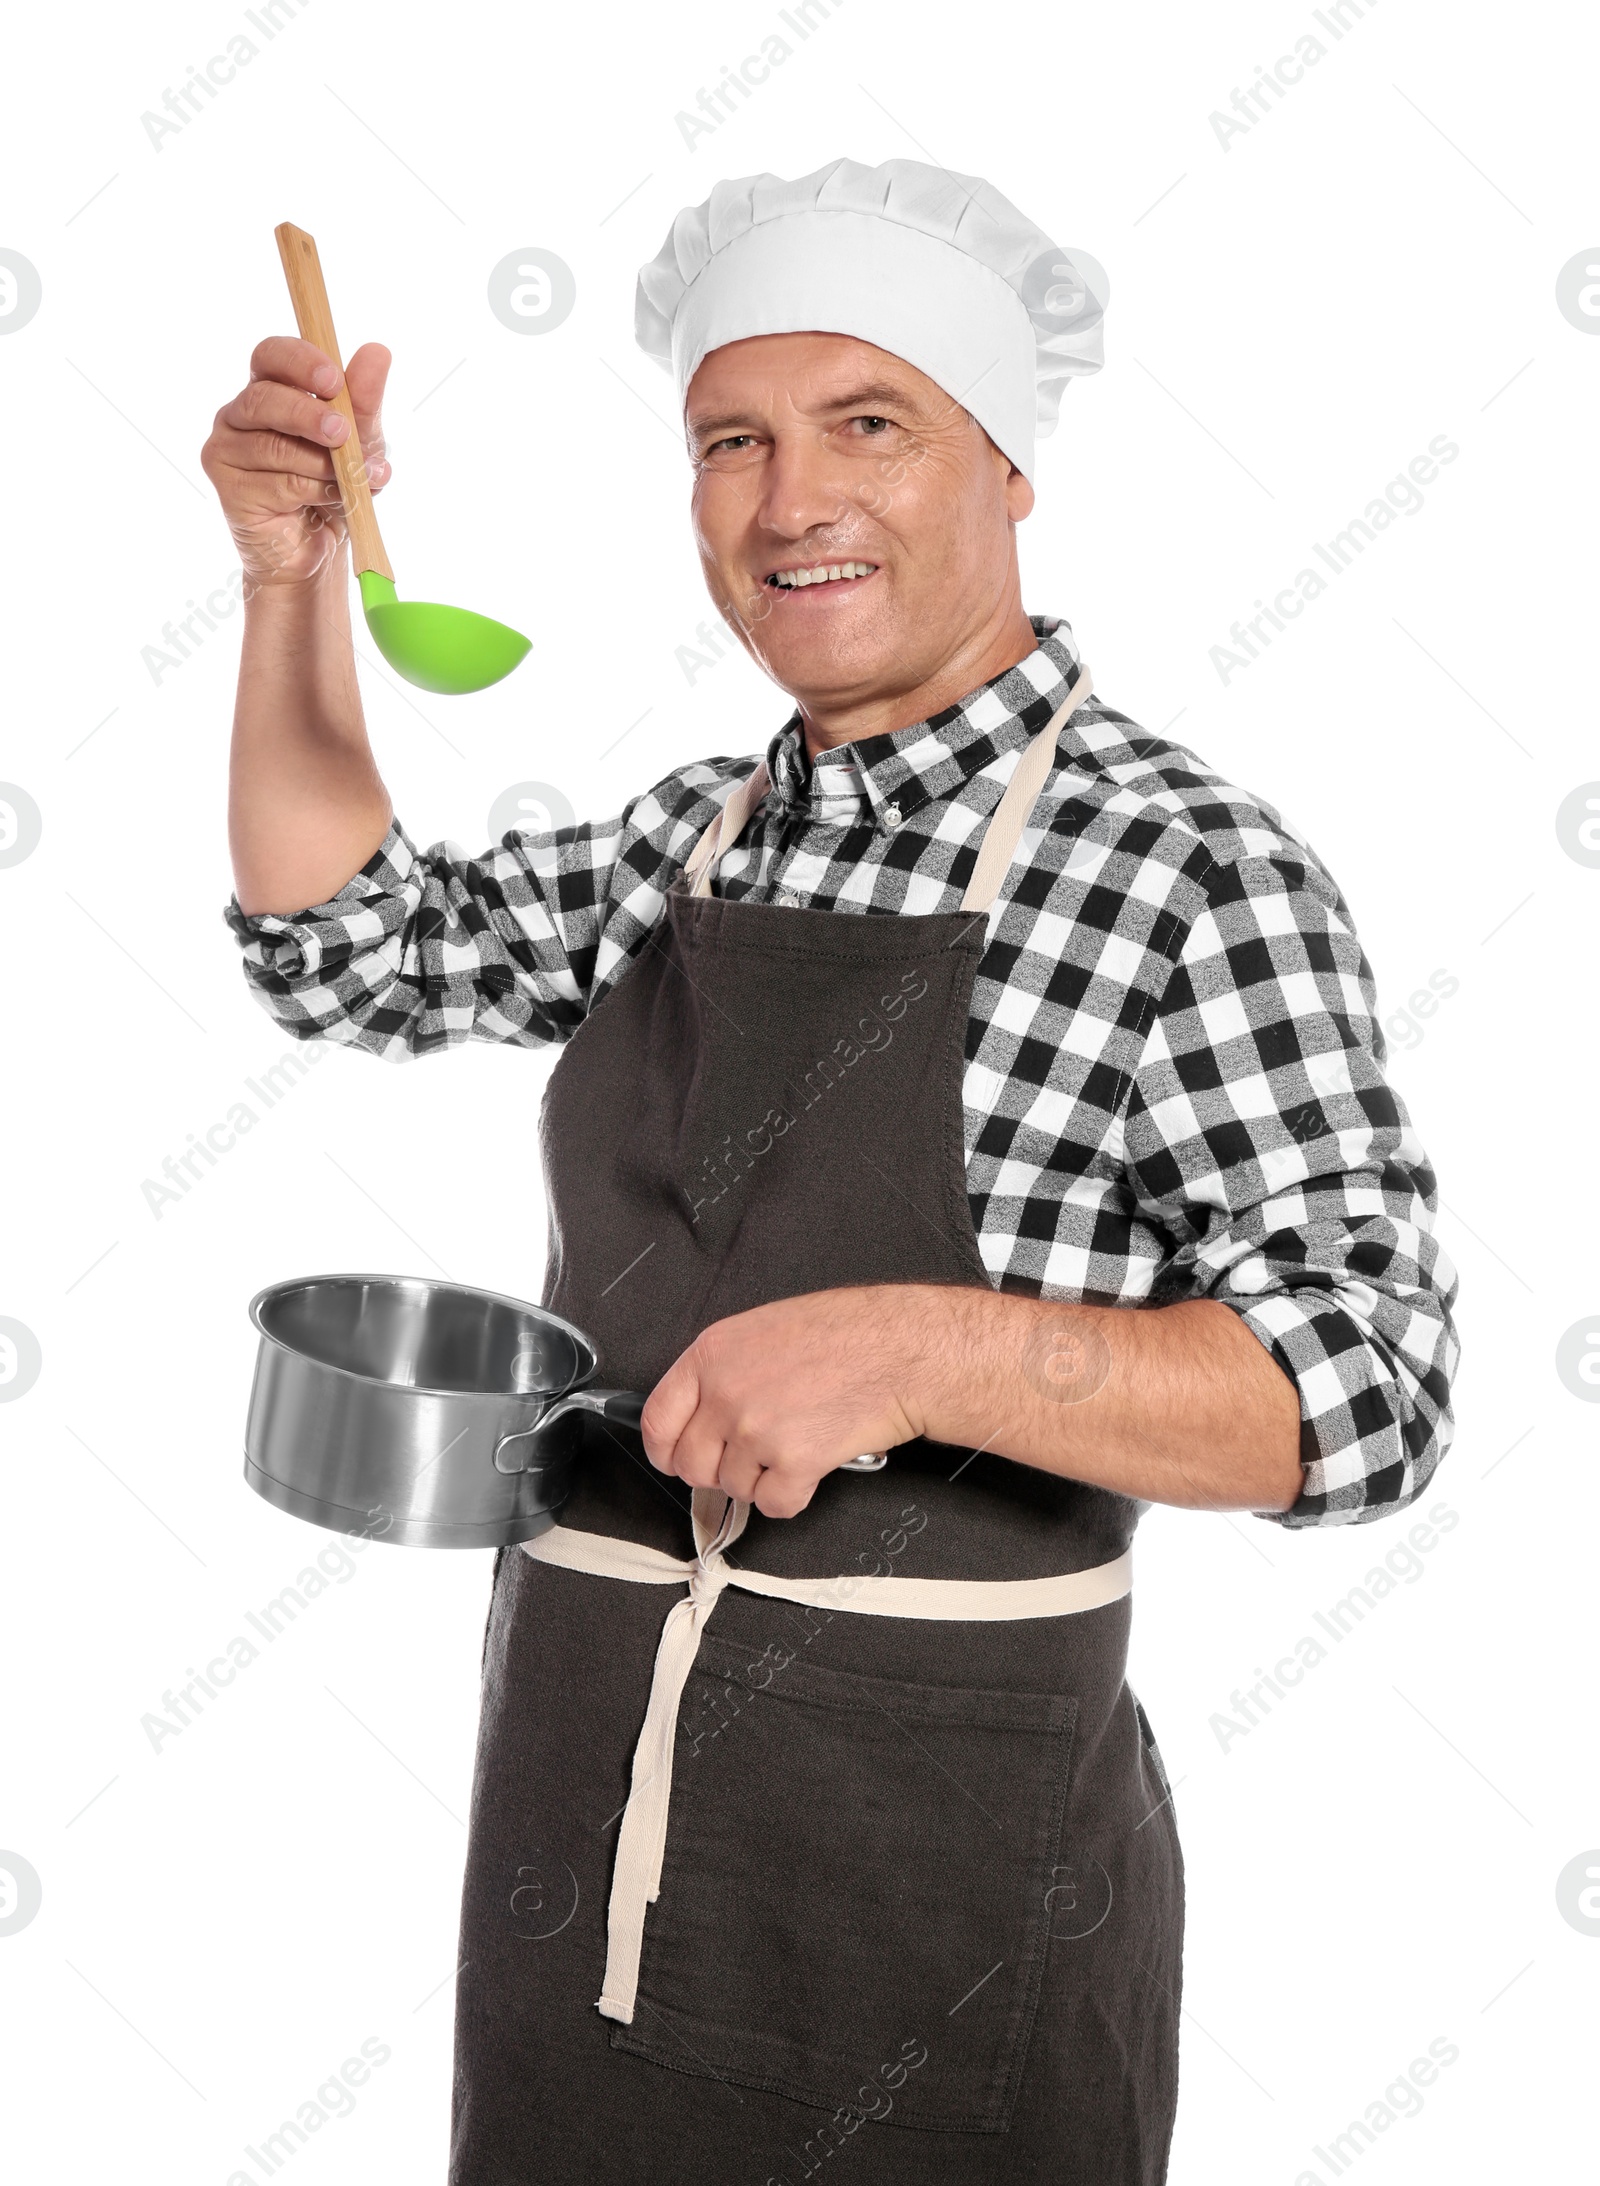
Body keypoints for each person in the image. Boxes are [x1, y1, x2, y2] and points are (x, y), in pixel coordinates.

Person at [202, 157, 1458, 2185]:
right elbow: (350, 947)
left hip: (924, 1902)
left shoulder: (1177, 873)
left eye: (867, 422)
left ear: (1004, 468)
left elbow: (1369, 1392)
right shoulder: (688, 838)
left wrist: (922, 1350)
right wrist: (285, 584)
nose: (787, 500)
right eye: (731, 440)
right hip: (575, 1850)